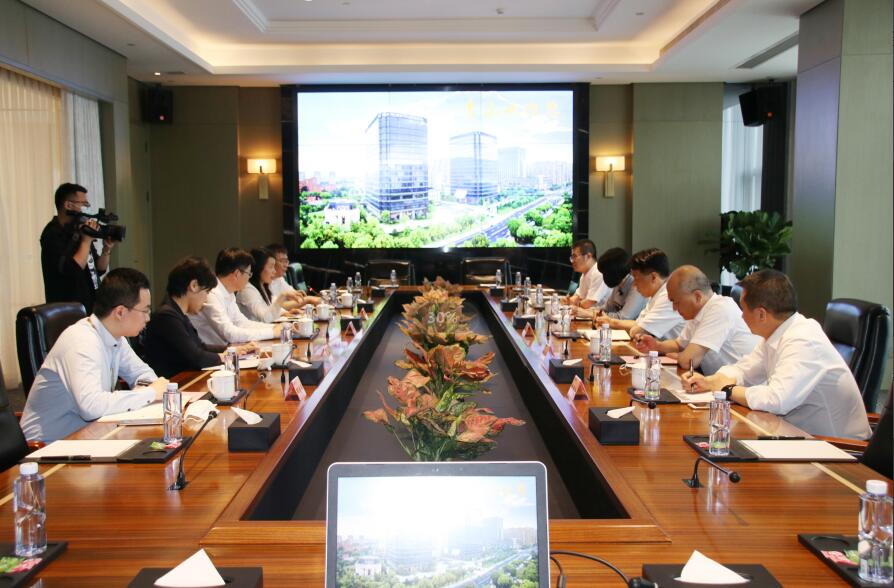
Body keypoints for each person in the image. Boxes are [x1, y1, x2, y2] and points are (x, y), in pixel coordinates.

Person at [682, 270, 871, 440]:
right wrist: (711, 382)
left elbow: (776, 400)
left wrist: (729, 390)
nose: (741, 316)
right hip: (796, 435)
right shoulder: (777, 334)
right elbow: (745, 370)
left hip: (835, 448)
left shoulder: (803, 339)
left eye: (744, 309)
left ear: (762, 314)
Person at [19, 268, 168, 442]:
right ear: (120, 312)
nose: (148, 318)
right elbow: (91, 406)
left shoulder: (116, 337)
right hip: (47, 448)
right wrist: (149, 393)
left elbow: (144, 374)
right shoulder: (81, 341)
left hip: (88, 437)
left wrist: (145, 389)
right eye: (145, 311)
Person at [143, 257, 256, 377]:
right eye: (206, 292)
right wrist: (225, 356)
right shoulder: (166, 316)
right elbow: (197, 357)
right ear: (194, 285)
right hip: (174, 383)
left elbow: (200, 347)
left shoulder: (177, 312)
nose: (206, 298)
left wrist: (232, 350)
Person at [634, 265, 759, 374]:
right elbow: (679, 345)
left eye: (676, 302)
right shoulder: (697, 311)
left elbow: (689, 361)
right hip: (719, 383)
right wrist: (657, 346)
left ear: (697, 296)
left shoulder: (720, 308)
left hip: (743, 389)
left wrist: (681, 356)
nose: (674, 308)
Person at [40, 183, 114, 313]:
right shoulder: (52, 234)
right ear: (68, 205)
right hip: (67, 310)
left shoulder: (79, 230)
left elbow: (99, 269)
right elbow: (73, 270)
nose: (85, 210)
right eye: (83, 205)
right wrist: (86, 241)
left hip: (91, 305)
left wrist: (106, 249)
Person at [190, 248, 282, 346]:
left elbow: (241, 323)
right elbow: (229, 333)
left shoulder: (228, 292)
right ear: (237, 274)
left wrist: (274, 328)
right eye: (249, 274)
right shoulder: (212, 294)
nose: (249, 278)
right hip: (213, 353)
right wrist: (273, 332)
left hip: (227, 349)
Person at [597, 248, 684, 340]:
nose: (634, 285)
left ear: (653, 277)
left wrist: (615, 323)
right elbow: (638, 323)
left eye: (636, 279)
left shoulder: (668, 297)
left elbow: (638, 330)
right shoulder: (656, 294)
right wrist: (610, 322)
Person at [576, 248, 646, 321]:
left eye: (605, 273)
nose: (603, 277)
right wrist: (587, 311)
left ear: (613, 273)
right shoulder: (619, 283)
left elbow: (624, 317)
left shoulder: (636, 285)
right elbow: (607, 308)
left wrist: (590, 314)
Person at [236, 248, 303, 323]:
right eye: (271, 267)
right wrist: (283, 296)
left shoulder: (263, 286)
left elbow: (272, 304)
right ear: (259, 268)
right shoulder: (247, 290)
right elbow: (265, 318)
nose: (274, 271)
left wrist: (285, 313)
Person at [563, 239, 610, 310]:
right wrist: (568, 300)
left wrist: (574, 304)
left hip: (603, 315)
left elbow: (588, 303)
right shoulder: (585, 273)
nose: (572, 261)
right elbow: (578, 296)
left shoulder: (598, 272)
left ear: (588, 256)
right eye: (572, 257)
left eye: (574, 256)